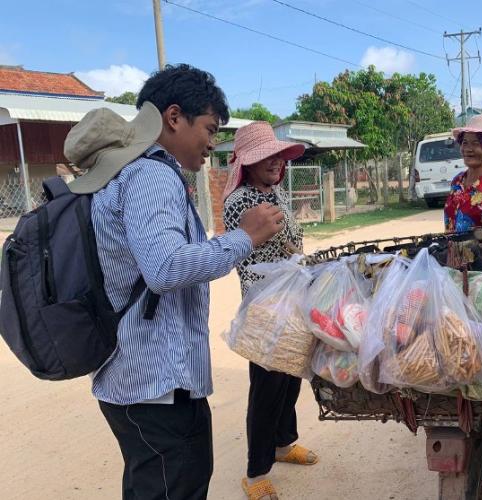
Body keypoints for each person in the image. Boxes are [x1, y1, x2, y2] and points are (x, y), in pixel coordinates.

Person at [66, 64, 285, 500]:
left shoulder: (122, 176)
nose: (212, 142)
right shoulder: (150, 174)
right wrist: (245, 236)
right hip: (155, 386)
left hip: (136, 381)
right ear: (172, 118)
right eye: (209, 128)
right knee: (174, 485)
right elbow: (165, 268)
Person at [223, 122, 319, 500]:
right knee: (266, 387)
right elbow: (289, 242)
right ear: (248, 162)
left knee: (290, 374)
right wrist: (294, 246)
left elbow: (292, 245)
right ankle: (255, 471)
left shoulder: (274, 192)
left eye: (279, 156)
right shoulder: (244, 201)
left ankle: (283, 443)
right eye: (267, 157)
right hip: (264, 307)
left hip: (289, 299)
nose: (277, 162)